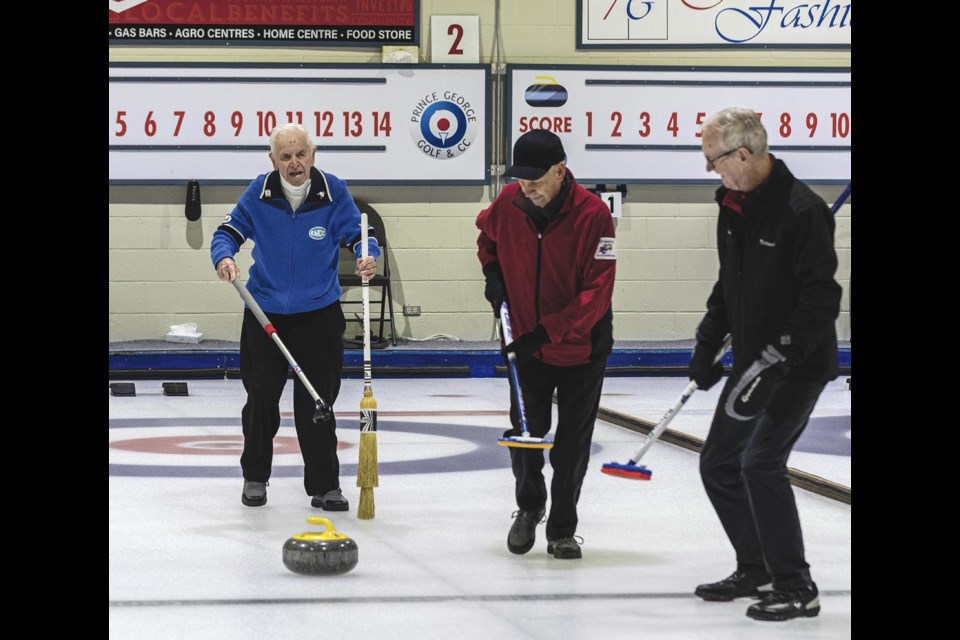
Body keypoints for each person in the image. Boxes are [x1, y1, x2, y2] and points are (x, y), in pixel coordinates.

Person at [688, 108, 842, 621]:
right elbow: (728, 282)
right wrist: (708, 342)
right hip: (750, 365)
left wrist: (784, 353)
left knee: (760, 463)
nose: (712, 170)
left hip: (796, 368)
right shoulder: (734, 206)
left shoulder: (803, 211)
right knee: (717, 464)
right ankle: (755, 567)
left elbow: (822, 297)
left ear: (743, 154)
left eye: (715, 160)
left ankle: (798, 586)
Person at [211, 123, 379, 511]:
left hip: (318, 316)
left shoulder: (333, 190)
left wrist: (368, 254)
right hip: (265, 314)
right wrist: (223, 256)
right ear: (273, 161)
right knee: (260, 401)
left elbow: (359, 233)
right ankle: (255, 477)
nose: (294, 163)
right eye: (285, 157)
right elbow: (228, 231)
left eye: (300, 154)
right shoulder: (260, 191)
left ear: (312, 154)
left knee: (318, 404)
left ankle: (325, 486)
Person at [476, 129, 616, 560]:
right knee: (524, 434)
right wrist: (493, 274)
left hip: (580, 348)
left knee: (571, 445)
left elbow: (597, 292)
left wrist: (548, 331)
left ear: (560, 170)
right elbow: (487, 240)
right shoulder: (509, 204)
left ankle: (562, 529)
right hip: (525, 346)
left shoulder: (593, 215)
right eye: (522, 179)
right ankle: (528, 506)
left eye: (537, 179)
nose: (529, 187)